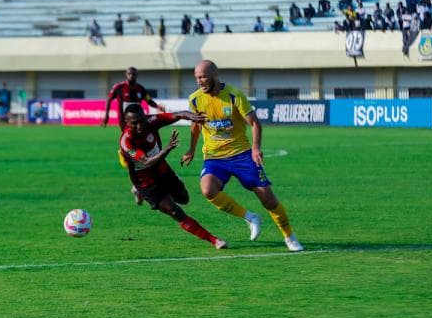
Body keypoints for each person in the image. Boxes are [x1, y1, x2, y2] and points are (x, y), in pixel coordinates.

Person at [180, 60, 304, 252]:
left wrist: (255, 148)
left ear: (215, 75)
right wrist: (191, 150)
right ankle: (250, 217)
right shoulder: (195, 99)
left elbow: (254, 123)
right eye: (197, 77)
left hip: (242, 155)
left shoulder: (233, 95)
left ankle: (289, 237)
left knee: (268, 200)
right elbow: (195, 127)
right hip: (214, 157)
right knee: (208, 190)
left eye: (203, 76)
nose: (199, 81)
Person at [120, 104, 227, 249]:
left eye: (142, 120)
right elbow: (147, 161)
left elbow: (177, 114)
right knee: (174, 210)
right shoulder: (126, 141)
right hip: (146, 183)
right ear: (126, 123)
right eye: (134, 123)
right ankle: (214, 240)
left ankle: (147, 194)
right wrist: (167, 149)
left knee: (184, 198)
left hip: (163, 172)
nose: (140, 125)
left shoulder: (151, 121)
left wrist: (192, 116)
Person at [101, 67, 166, 204]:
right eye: (129, 73)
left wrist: (157, 106)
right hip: (126, 128)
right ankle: (139, 186)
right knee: (138, 157)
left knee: (141, 156)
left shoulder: (140, 89)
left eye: (134, 74)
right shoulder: (118, 87)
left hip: (140, 127)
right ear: (126, 74)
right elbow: (108, 99)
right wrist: (106, 116)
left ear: (136, 75)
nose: (131, 75)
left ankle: (138, 187)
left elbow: (148, 100)